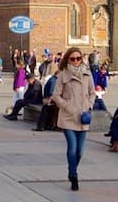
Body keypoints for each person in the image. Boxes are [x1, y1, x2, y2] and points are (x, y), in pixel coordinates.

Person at [47, 48, 96, 192]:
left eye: (78, 58)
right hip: (68, 117)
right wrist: (66, 105)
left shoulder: (87, 74)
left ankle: (71, 168)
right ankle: (74, 176)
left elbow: (92, 92)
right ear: (67, 60)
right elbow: (56, 95)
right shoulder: (63, 75)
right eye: (73, 59)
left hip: (83, 117)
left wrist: (89, 105)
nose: (76, 61)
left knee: (80, 151)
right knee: (72, 147)